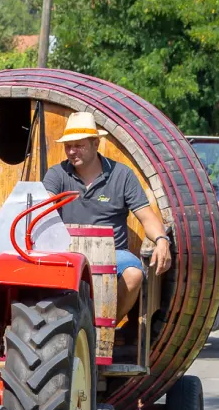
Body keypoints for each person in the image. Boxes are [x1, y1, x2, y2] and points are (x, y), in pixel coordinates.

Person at [41, 111, 173, 323]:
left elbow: (146, 216)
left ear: (96, 144)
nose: (72, 151)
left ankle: (102, 329)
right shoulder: (57, 174)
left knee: (133, 274)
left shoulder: (122, 175)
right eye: (68, 146)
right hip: (68, 252)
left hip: (113, 254)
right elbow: (44, 207)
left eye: (79, 145)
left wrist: (161, 240)